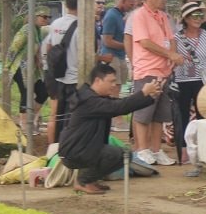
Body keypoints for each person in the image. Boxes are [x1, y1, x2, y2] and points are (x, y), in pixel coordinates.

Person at [61, 63, 163, 194]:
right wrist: (143, 92)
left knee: (119, 154)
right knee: (120, 155)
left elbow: (119, 104)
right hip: (75, 152)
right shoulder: (89, 100)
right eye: (111, 81)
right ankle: (84, 181)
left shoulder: (93, 97)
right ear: (98, 80)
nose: (114, 85)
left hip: (80, 149)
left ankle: (88, 180)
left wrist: (149, 96)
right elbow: (119, 107)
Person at [130, 0, 182, 165]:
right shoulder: (139, 16)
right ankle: (142, 149)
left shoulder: (163, 16)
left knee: (160, 114)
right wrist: (170, 54)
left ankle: (156, 149)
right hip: (147, 70)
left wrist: (173, 57)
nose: (164, 0)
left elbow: (171, 38)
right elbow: (145, 42)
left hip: (164, 70)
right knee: (144, 112)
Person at [173, 1, 206, 164]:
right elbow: (173, 57)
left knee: (203, 115)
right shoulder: (177, 37)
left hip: (202, 82)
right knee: (182, 115)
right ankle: (183, 151)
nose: (198, 18)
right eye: (194, 15)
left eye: (200, 15)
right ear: (186, 18)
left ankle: (203, 149)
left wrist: (202, 72)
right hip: (183, 80)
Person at [6, 6, 51, 137]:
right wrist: (6, 66)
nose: (46, 20)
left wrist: (39, 60)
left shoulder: (37, 31)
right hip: (21, 66)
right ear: (34, 17)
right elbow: (14, 47)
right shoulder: (26, 30)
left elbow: (36, 48)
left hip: (32, 68)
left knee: (43, 91)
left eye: (48, 17)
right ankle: (24, 124)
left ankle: (31, 119)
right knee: (26, 92)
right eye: (44, 17)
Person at [43, 0, 81, 144]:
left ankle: (55, 149)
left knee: (58, 116)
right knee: (74, 118)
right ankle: (71, 147)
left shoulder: (55, 24)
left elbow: (49, 47)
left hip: (58, 77)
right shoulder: (83, 26)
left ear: (66, 4)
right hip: (76, 78)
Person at [100, 0, 138, 131]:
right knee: (113, 89)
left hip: (120, 56)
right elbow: (107, 41)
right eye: (131, 4)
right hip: (112, 56)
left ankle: (116, 119)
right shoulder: (111, 16)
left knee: (119, 87)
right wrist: (127, 45)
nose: (132, 7)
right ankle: (116, 120)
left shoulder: (121, 16)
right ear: (123, 1)